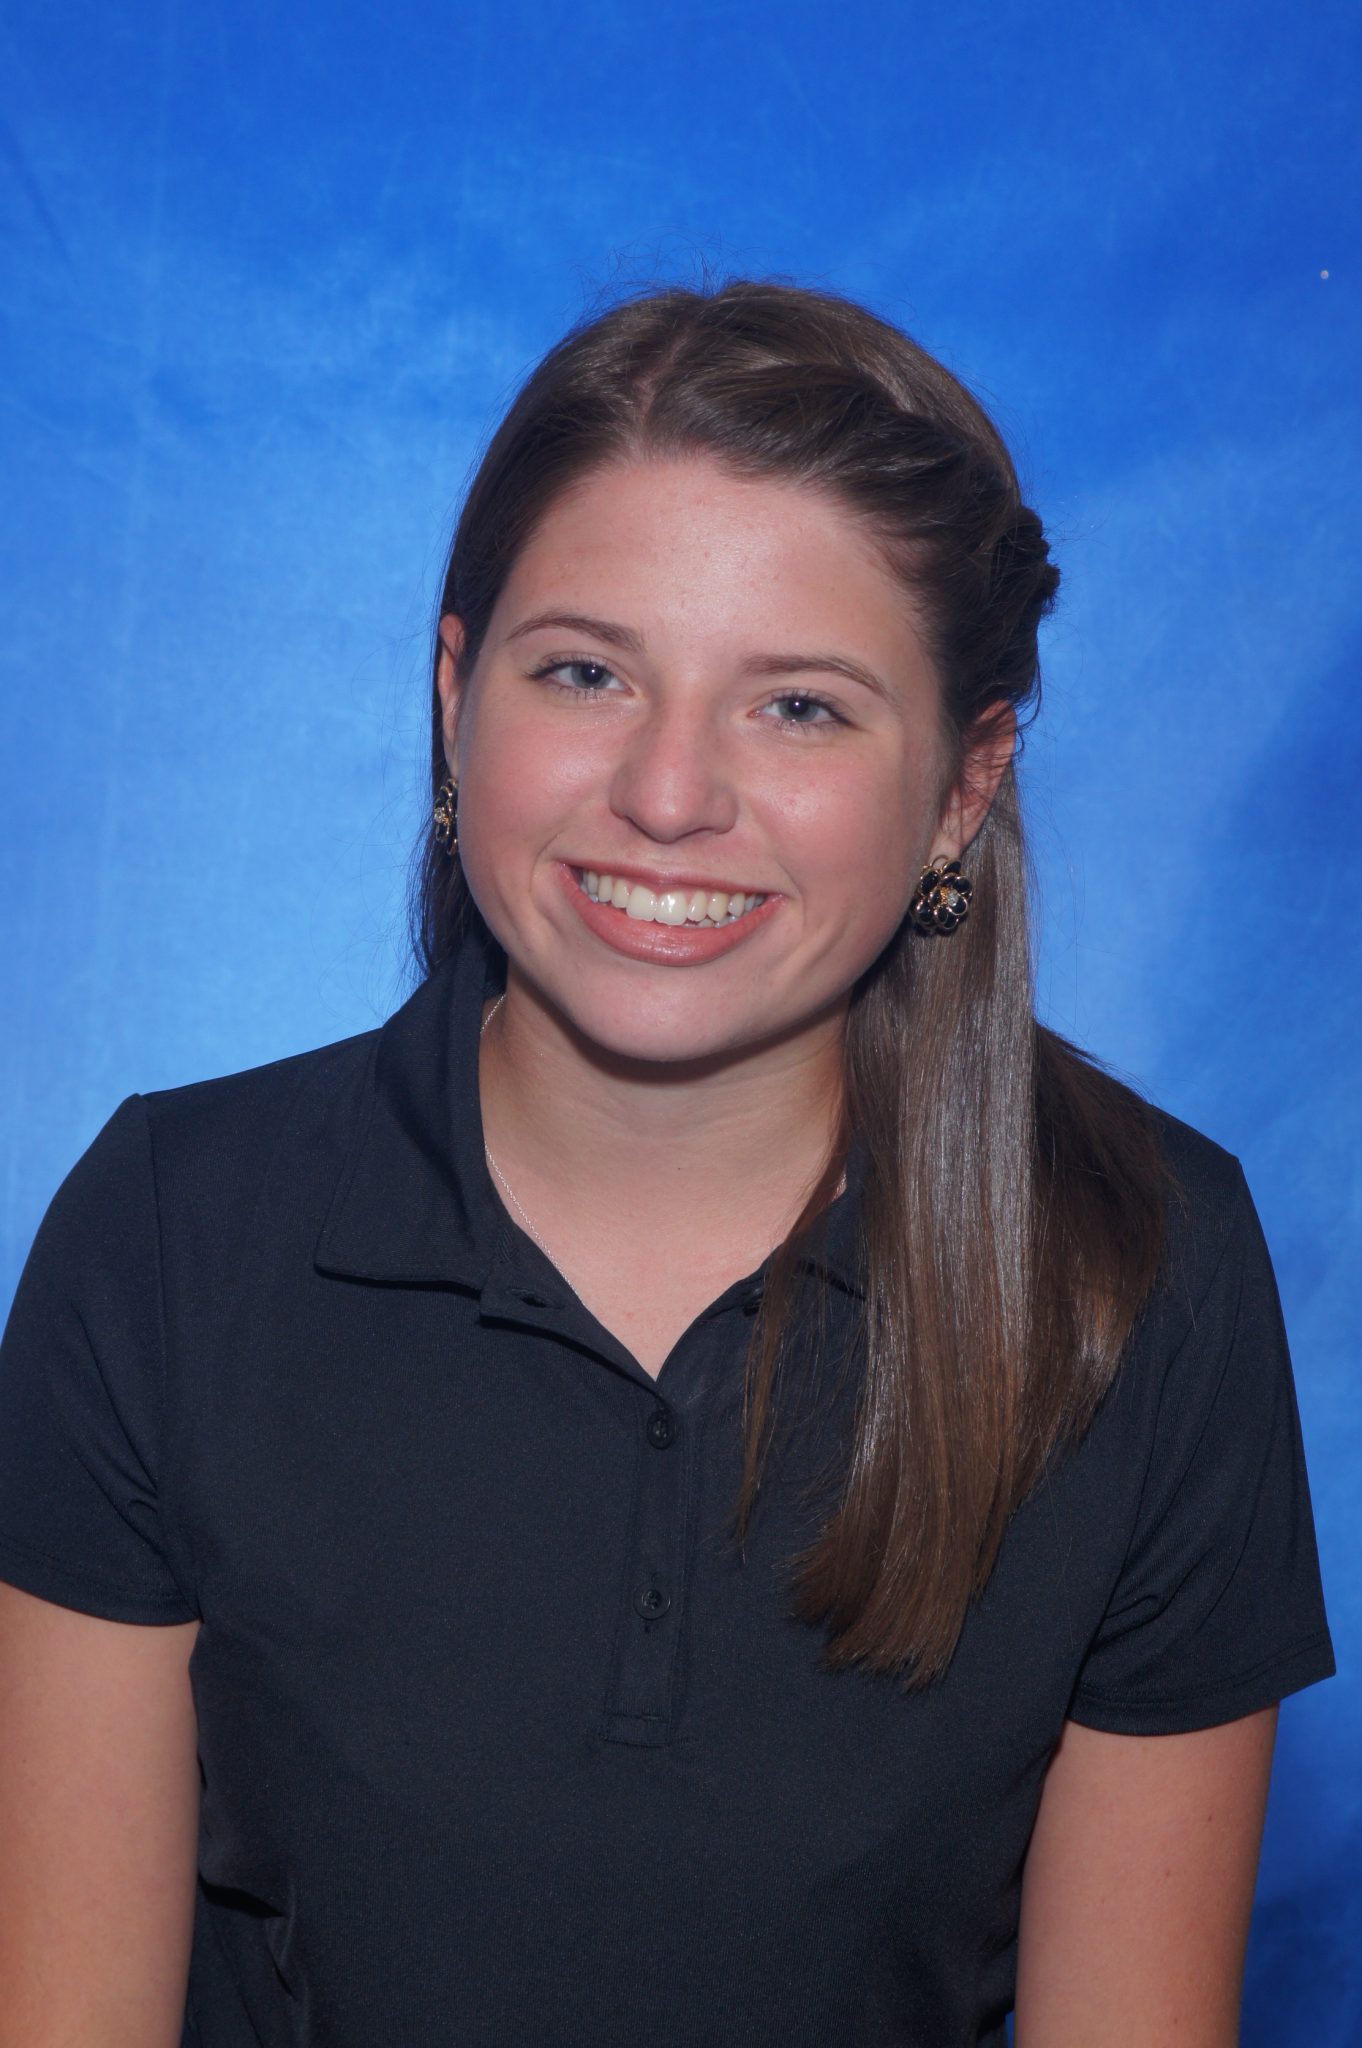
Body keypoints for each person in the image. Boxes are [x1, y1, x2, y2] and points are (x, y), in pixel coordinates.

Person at [0, 277, 1335, 2048]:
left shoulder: (1144, 1262)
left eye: (799, 707)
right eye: (586, 672)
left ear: (962, 786)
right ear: (455, 698)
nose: (668, 791)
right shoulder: (172, 1231)